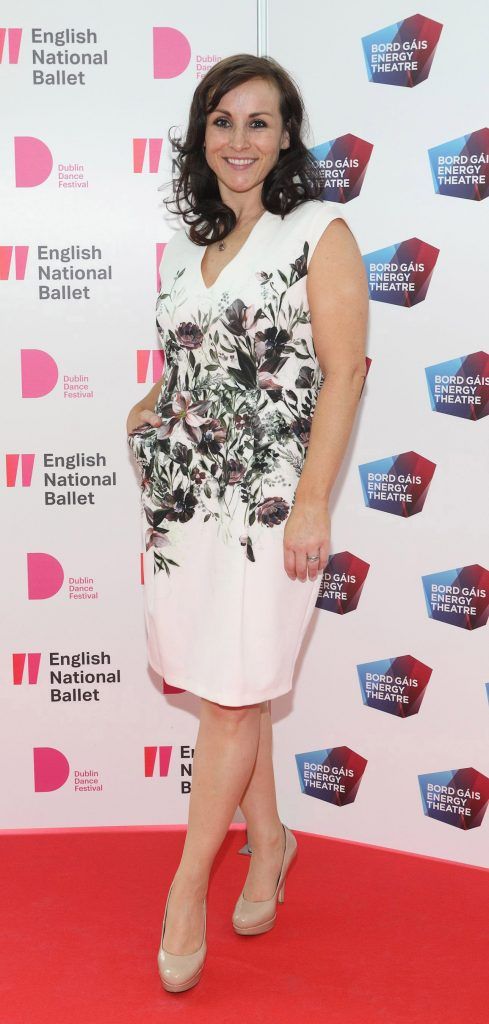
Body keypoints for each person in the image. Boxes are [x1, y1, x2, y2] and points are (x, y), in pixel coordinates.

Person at [126, 53, 368, 993]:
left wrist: (312, 501)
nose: (238, 140)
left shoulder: (318, 232)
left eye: (258, 123)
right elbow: (191, 363)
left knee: (231, 696)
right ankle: (268, 843)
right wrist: (150, 407)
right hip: (184, 506)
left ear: (285, 136)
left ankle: (188, 888)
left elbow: (342, 373)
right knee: (234, 683)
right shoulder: (185, 252)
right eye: (222, 121)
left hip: (268, 505)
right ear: (201, 136)